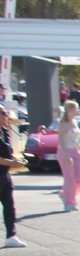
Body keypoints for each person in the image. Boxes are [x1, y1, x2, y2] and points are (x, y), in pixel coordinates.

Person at [55, 100, 80, 212]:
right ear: (69, 110)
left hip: (76, 150)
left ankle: (65, 194)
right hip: (66, 151)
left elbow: (77, 138)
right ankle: (69, 202)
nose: (78, 110)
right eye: (76, 108)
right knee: (70, 179)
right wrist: (65, 155)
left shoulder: (75, 121)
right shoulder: (63, 123)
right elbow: (61, 140)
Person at [1, 103, 23, 248]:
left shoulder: (5, 130)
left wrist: (16, 161)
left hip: (4, 174)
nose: (6, 116)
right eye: (3, 113)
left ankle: (11, 235)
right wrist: (11, 162)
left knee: (9, 205)